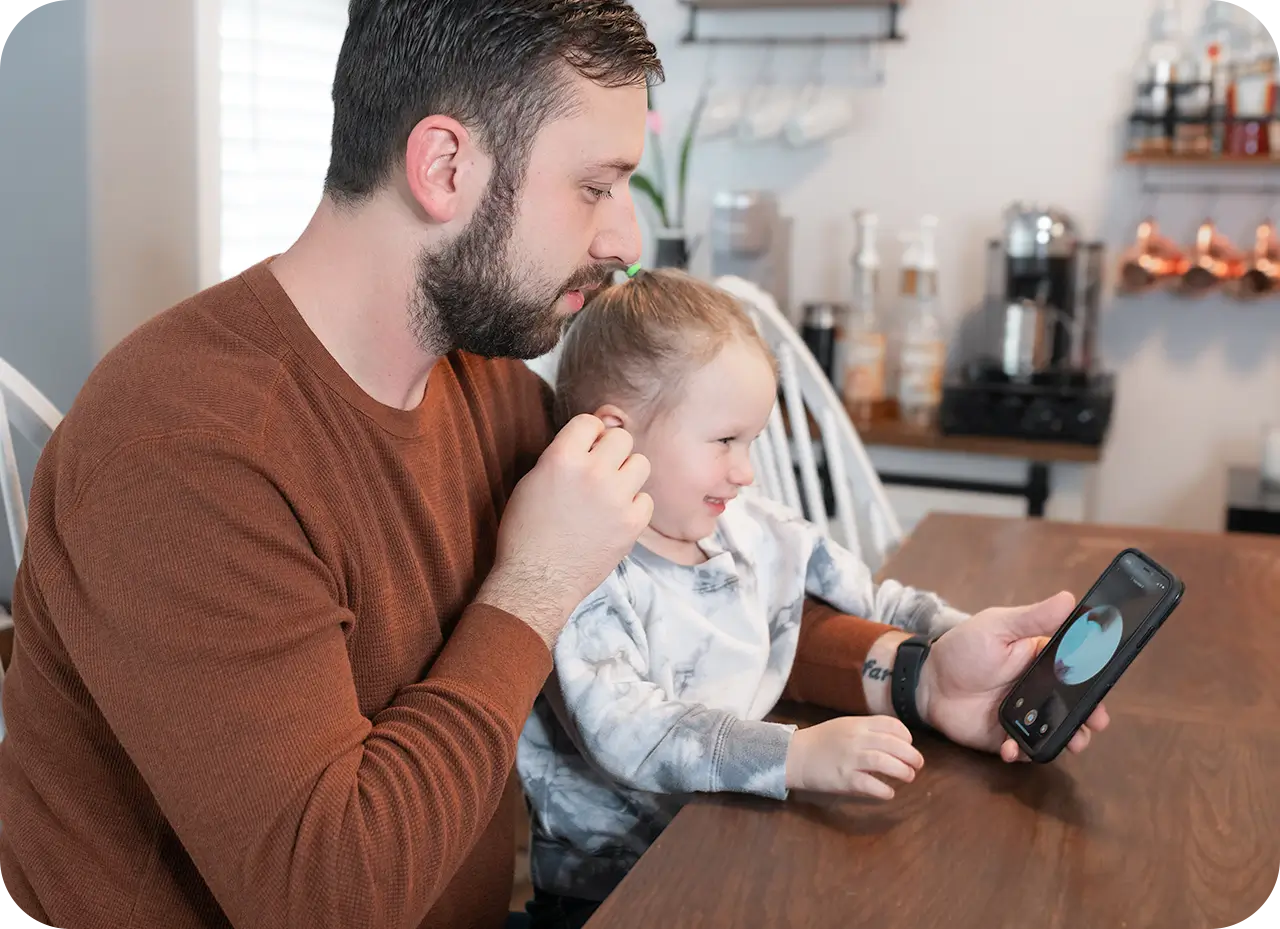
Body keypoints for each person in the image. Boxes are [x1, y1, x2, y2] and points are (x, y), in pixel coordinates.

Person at [0, 3, 1106, 929]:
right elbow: (326, 893)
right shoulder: (187, 449)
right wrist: (532, 585)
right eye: (594, 184)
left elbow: (680, 602)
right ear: (444, 164)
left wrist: (911, 670)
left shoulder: (486, 385)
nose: (625, 234)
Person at [516, 269, 1110, 928]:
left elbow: (874, 596)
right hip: (613, 891)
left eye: (752, 441)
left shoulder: (750, 526)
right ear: (615, 434)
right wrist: (794, 755)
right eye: (723, 441)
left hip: (737, 843)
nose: (745, 470)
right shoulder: (582, 566)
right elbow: (628, 732)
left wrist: (967, 635)